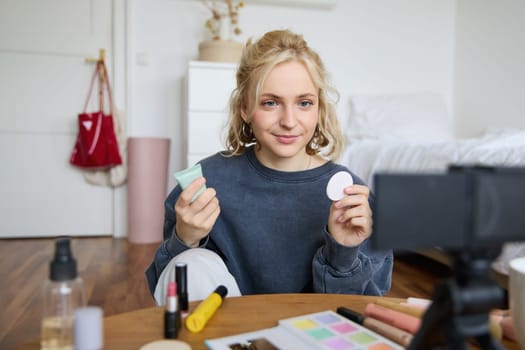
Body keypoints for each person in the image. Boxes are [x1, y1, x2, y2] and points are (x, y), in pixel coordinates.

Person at [146, 29, 393, 305]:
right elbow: (164, 284)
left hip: (311, 334)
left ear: (320, 109)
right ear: (244, 108)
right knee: (190, 262)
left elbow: (362, 308)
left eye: (304, 103)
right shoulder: (208, 181)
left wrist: (344, 251)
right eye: (270, 103)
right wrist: (185, 239)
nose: (289, 120)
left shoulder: (353, 199)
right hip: (228, 337)